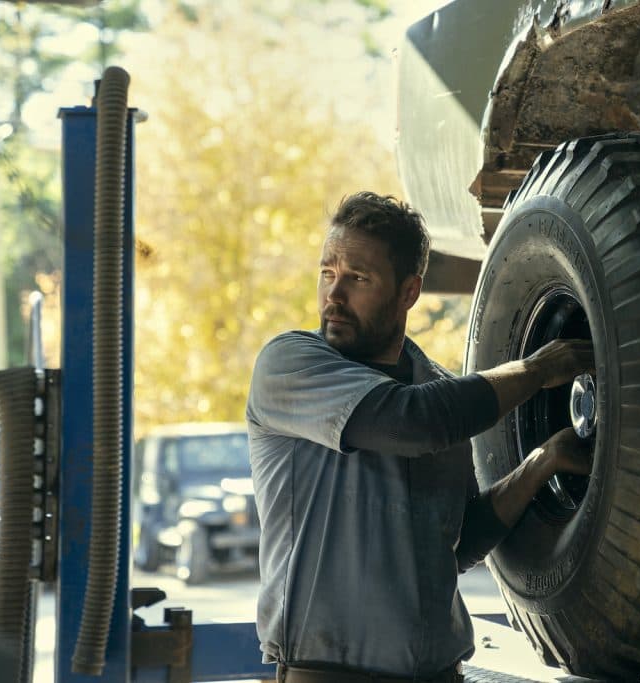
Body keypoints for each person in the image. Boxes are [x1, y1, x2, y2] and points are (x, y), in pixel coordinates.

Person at [246, 192, 594, 683]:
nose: (333, 296)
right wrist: (537, 370)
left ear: (409, 292)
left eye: (357, 278)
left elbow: (456, 542)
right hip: (327, 674)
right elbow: (412, 423)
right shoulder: (290, 365)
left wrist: (543, 461)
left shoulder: (438, 391)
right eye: (328, 272)